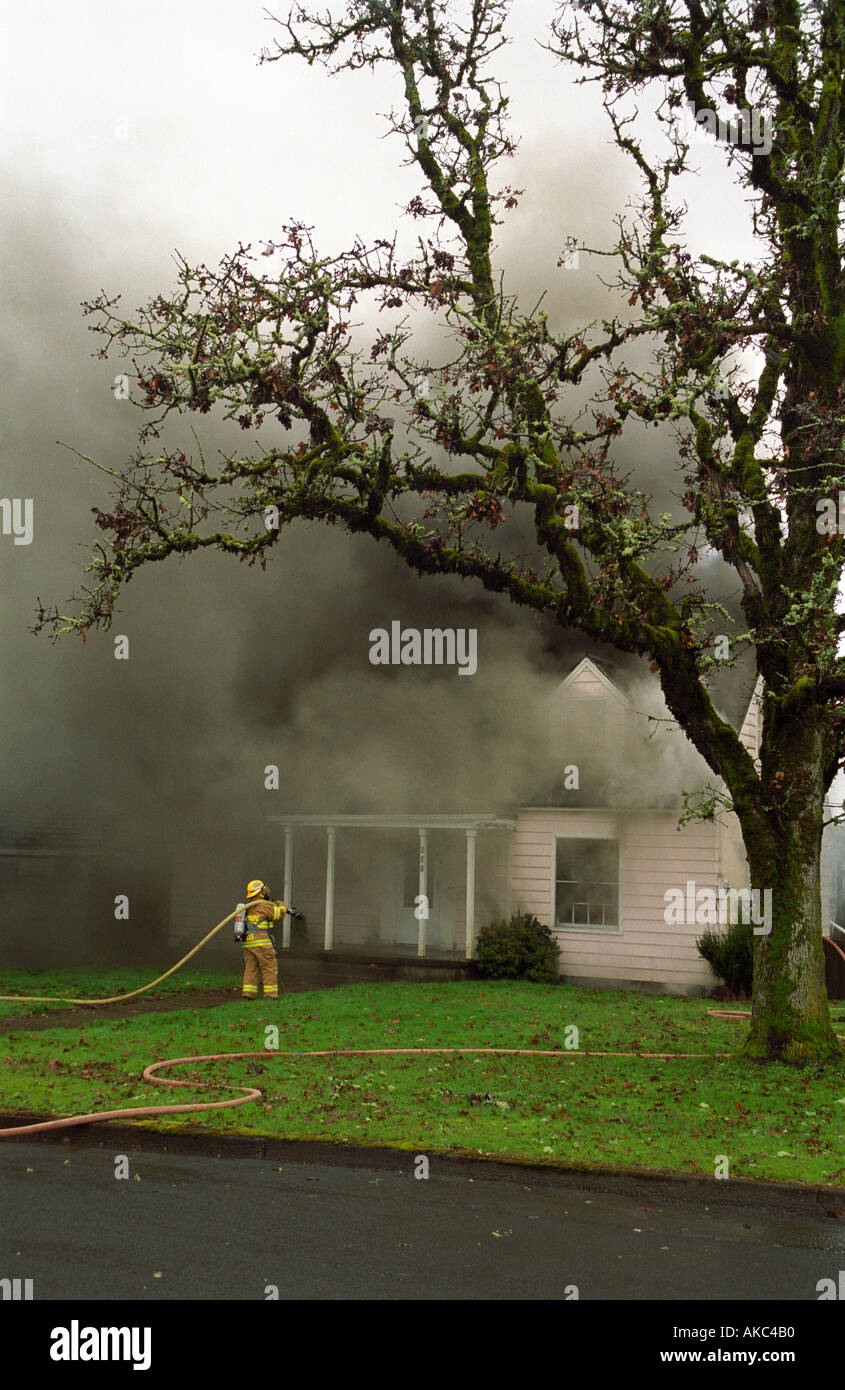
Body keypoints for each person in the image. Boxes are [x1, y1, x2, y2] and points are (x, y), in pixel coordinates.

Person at [239, 879, 302, 1001]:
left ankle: (248, 994)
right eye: (264, 890)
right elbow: (279, 914)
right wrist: (281, 904)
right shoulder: (264, 905)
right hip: (261, 943)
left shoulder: (249, 906)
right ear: (260, 893)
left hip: (248, 942)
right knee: (269, 967)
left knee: (251, 968)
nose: (267, 892)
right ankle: (271, 996)